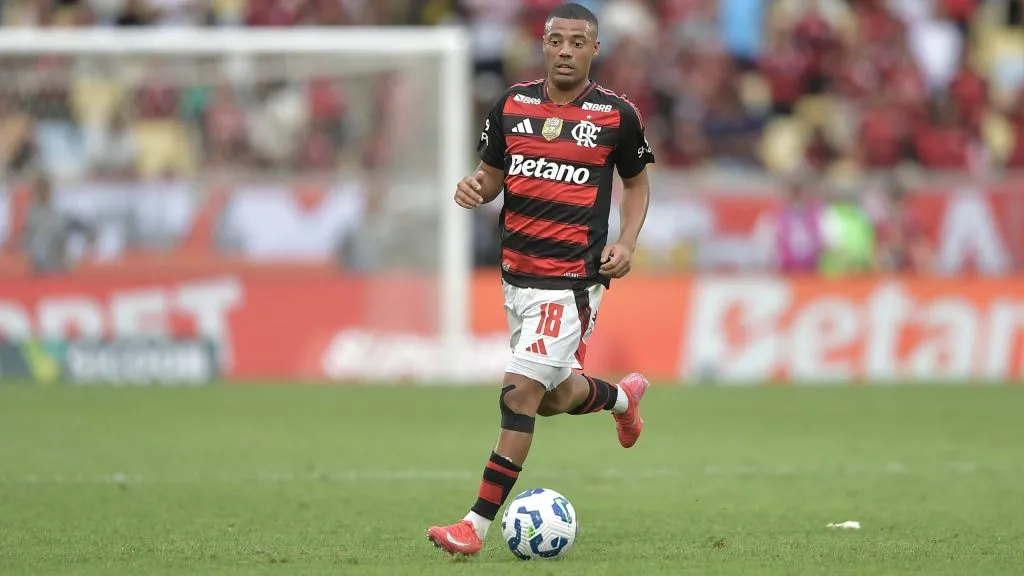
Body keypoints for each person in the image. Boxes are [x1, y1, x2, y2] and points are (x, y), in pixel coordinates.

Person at [426, 3, 654, 557]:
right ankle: (621, 399)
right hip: (516, 277)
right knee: (551, 399)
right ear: (544, 45)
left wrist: (626, 243)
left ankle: (474, 526)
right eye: (557, 41)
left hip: (572, 281)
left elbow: (637, 184)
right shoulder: (510, 107)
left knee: (520, 391)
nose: (566, 51)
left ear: (594, 49)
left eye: (578, 42)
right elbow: (491, 177)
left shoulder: (617, 115)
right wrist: (474, 188)